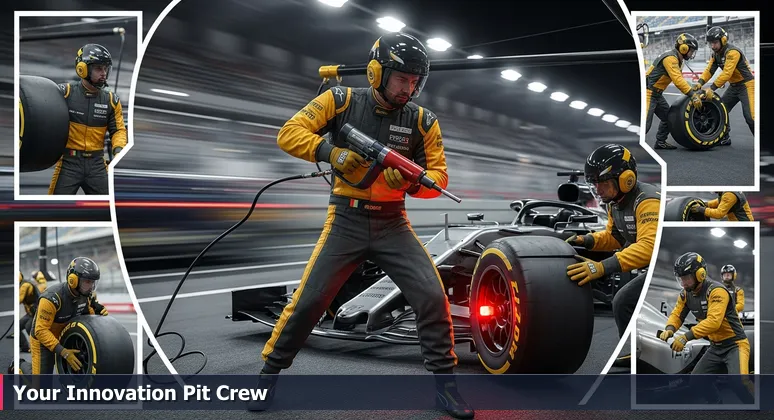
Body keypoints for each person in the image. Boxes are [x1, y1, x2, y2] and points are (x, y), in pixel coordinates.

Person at [251, 32, 472, 419]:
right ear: (377, 73)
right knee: (308, 303)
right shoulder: (340, 100)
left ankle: (446, 388)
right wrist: (330, 152)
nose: (410, 87)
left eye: (416, 80)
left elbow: (438, 178)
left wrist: (406, 181)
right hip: (345, 220)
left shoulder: (423, 121)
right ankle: (267, 377)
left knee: (432, 298)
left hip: (394, 224)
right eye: (402, 78)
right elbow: (289, 133)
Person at [565, 144, 660, 365]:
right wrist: (587, 240)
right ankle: (640, 354)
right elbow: (615, 237)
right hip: (652, 264)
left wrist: (601, 267)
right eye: (595, 184)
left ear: (626, 179)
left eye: (603, 183)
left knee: (623, 300)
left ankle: (643, 358)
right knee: (625, 301)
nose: (598, 190)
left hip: (663, 262)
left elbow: (648, 247)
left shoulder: (647, 201)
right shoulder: (615, 202)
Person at [661, 252, 752, 402]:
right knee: (697, 382)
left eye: (686, 278)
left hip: (735, 344)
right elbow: (677, 315)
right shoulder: (685, 294)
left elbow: (713, 322)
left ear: (700, 274)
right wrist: (669, 329)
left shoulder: (717, 291)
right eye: (681, 279)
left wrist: (685, 337)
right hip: (715, 347)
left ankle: (760, 409)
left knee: (739, 383)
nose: (683, 283)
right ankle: (717, 404)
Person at [49, 43, 127, 195]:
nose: (103, 73)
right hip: (68, 163)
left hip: (97, 165)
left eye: (105, 69)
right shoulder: (65, 93)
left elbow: (118, 130)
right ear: (82, 69)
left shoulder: (112, 100)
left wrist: (119, 153)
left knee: (110, 210)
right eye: (98, 68)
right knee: (54, 210)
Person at [29, 257, 108, 374]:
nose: (91, 286)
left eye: (93, 282)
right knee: (41, 389)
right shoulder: (51, 298)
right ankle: (19, 367)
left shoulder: (87, 295)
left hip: (65, 337)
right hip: (42, 341)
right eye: (87, 281)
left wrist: (99, 316)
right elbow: (40, 331)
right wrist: (64, 352)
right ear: (73, 280)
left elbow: (90, 321)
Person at [692, 26, 755, 146]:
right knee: (720, 110)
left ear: (723, 40)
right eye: (711, 43)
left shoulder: (733, 52)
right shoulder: (715, 54)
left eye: (715, 42)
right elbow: (709, 70)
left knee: (751, 117)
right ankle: (725, 137)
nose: (712, 46)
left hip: (747, 84)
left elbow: (727, 73)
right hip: (733, 86)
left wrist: (712, 88)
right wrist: (699, 83)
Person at [644, 33, 702, 150]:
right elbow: (678, 80)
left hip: (657, 94)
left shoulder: (678, 60)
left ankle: (660, 142)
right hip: (648, 92)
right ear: (683, 48)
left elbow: (680, 78)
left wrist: (693, 87)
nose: (692, 54)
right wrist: (692, 95)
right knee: (644, 125)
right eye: (691, 51)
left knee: (669, 118)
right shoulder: (670, 58)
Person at [18, 271, 48, 353]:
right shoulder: (23, 284)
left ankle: (40, 347)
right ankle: (25, 347)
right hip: (30, 313)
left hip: (35, 312)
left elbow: (19, 299)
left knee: (29, 327)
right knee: (18, 326)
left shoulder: (25, 285)